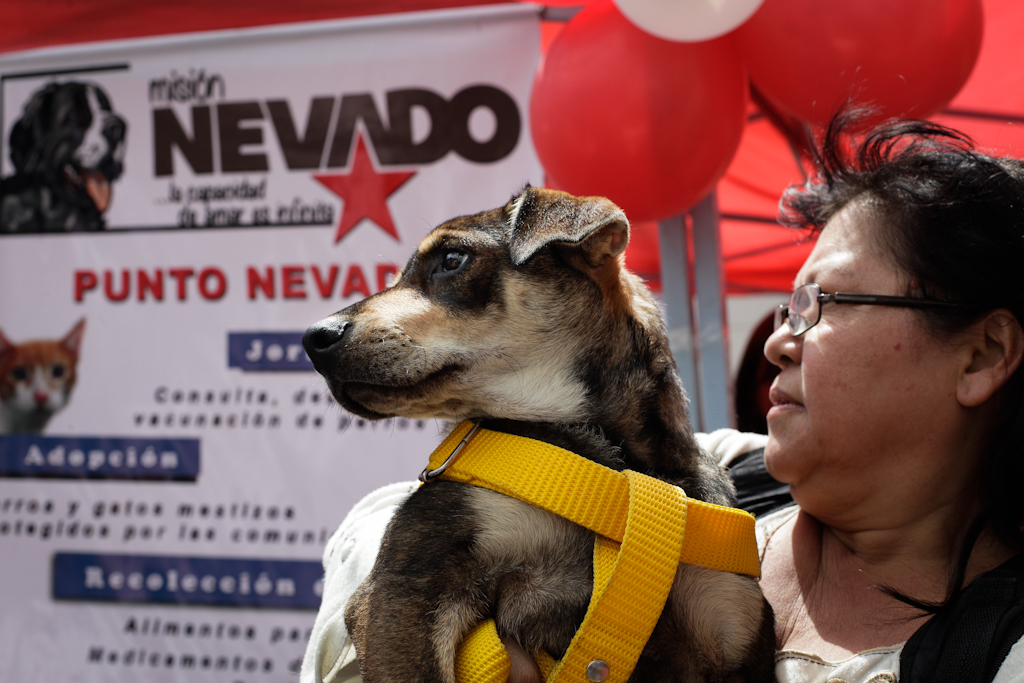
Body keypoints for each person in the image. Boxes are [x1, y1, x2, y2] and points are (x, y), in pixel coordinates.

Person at [301, 115, 1024, 682]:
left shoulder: (999, 649)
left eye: (822, 303)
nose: (778, 340)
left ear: (983, 354)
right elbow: (374, 526)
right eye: (786, 306)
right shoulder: (723, 474)